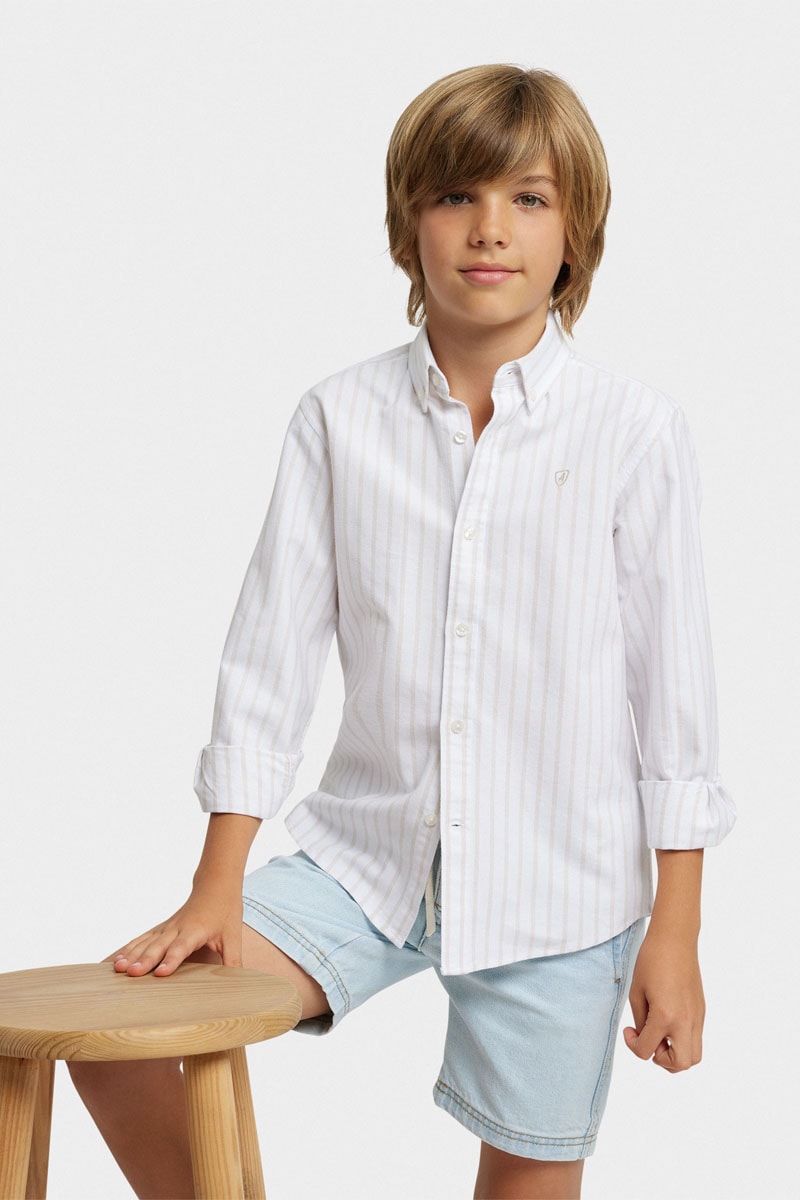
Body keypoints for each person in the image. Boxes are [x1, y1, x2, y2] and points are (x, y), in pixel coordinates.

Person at [69, 64, 736, 1200]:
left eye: (528, 198)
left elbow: (671, 700)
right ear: (407, 221)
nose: (490, 229)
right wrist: (217, 884)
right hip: (364, 861)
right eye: (456, 195)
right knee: (114, 1043)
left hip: (559, 890)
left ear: (574, 231)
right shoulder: (339, 420)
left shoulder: (633, 432)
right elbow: (267, 662)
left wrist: (675, 934)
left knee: (526, 1180)